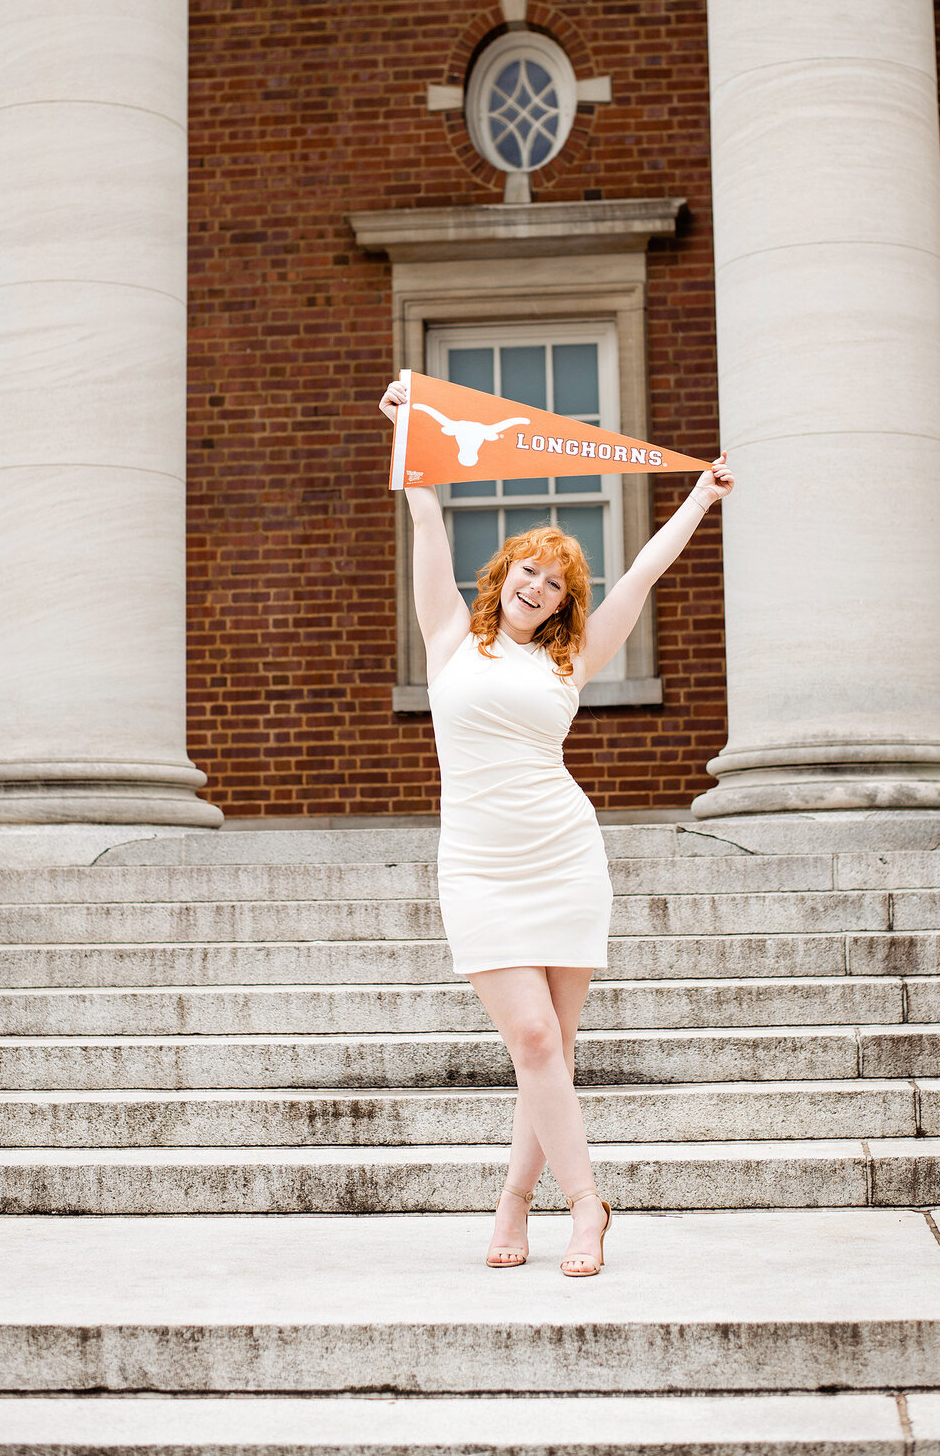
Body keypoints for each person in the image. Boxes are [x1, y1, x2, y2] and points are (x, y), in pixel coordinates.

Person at [379, 378, 735, 1276]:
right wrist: (410, 434)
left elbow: (645, 572)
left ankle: (522, 1204)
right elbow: (425, 517)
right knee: (532, 1039)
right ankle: (588, 1202)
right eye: (529, 569)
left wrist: (699, 495)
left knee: (553, 1051)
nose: (540, 584)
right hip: (478, 865)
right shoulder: (451, 634)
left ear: (564, 603)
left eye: (557, 581)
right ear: (504, 576)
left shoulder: (569, 661)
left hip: (563, 854)